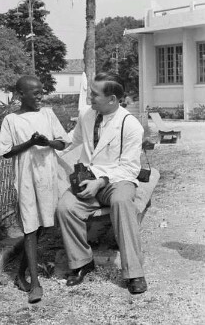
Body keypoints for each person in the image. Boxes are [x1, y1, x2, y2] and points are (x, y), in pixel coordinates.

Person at [57, 73, 147, 294]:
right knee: (65, 208)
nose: (90, 98)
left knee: (122, 203)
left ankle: (134, 271)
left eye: (95, 94)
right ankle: (82, 262)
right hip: (88, 177)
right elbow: (72, 141)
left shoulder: (130, 125)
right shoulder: (87, 115)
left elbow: (130, 168)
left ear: (112, 99)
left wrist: (101, 182)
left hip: (117, 180)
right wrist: (48, 146)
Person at [0, 75, 71, 303]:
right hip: (27, 177)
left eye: (41, 92)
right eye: (35, 93)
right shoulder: (11, 120)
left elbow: (62, 142)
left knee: (40, 227)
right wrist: (30, 143)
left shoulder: (47, 114)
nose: (40, 96)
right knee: (30, 226)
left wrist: (46, 142)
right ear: (21, 95)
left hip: (47, 176)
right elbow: (7, 151)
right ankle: (35, 285)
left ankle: (20, 273)